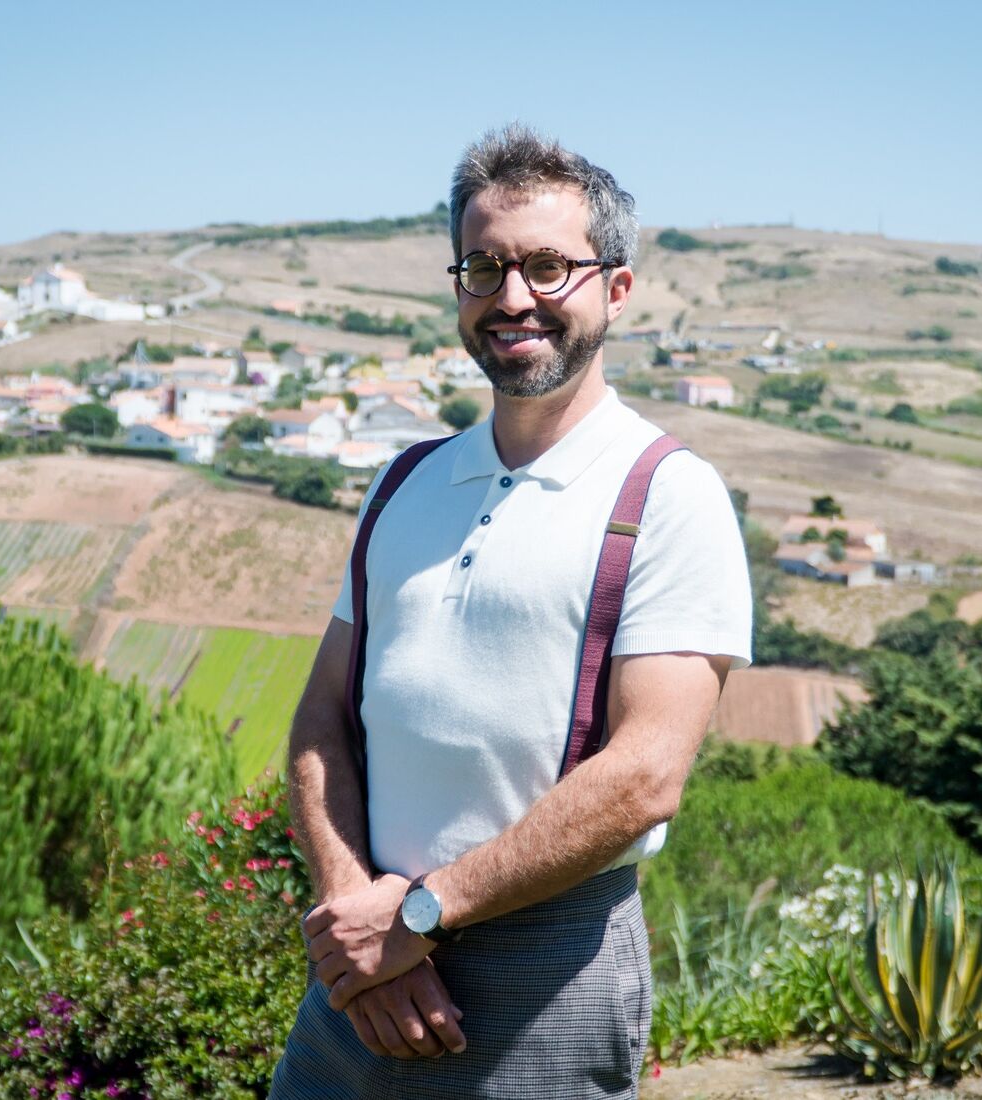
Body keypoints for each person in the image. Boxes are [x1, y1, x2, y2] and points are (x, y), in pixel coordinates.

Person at [269, 123, 752, 1100]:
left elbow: (643, 777)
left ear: (616, 288)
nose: (512, 296)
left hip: (546, 968)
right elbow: (321, 723)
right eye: (484, 267)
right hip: (359, 963)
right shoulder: (401, 482)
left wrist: (417, 917)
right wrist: (355, 911)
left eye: (547, 267)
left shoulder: (668, 493)